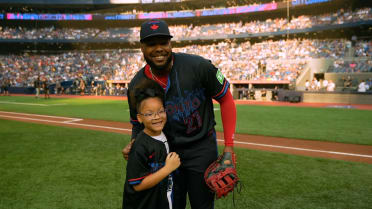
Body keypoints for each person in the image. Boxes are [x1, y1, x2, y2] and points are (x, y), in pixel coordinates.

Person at [122, 19, 237, 209]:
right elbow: (137, 123)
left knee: (203, 205)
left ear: (171, 44)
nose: (159, 48)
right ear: (141, 47)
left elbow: (226, 99)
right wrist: (135, 144)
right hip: (165, 152)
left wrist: (229, 148)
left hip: (201, 149)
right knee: (170, 205)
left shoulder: (198, 66)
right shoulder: (136, 85)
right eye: (151, 44)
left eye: (163, 42)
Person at [123, 79, 180, 209]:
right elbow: (137, 185)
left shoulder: (165, 135)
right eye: (149, 114)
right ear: (139, 118)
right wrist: (168, 169)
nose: (156, 117)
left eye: (160, 111)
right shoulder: (140, 146)